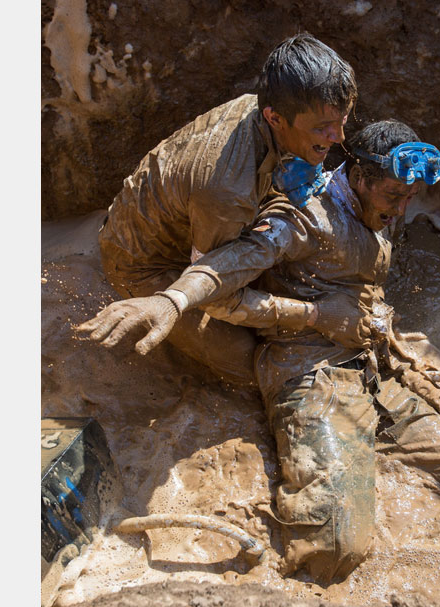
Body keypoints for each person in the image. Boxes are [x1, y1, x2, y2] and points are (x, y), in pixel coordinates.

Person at [78, 121, 440, 582]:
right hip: (310, 374)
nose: (400, 209)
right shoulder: (299, 218)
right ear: (359, 177)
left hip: (368, 366)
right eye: (394, 195)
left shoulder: (376, 207)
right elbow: (221, 283)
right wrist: (312, 315)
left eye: (409, 197)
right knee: (333, 550)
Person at [96, 33, 357, 386]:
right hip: (145, 262)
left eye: (342, 119)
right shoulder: (226, 192)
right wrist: (316, 315)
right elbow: (215, 296)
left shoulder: (270, 103)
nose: (339, 137)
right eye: (323, 128)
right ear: (275, 118)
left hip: (196, 217)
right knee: (254, 368)